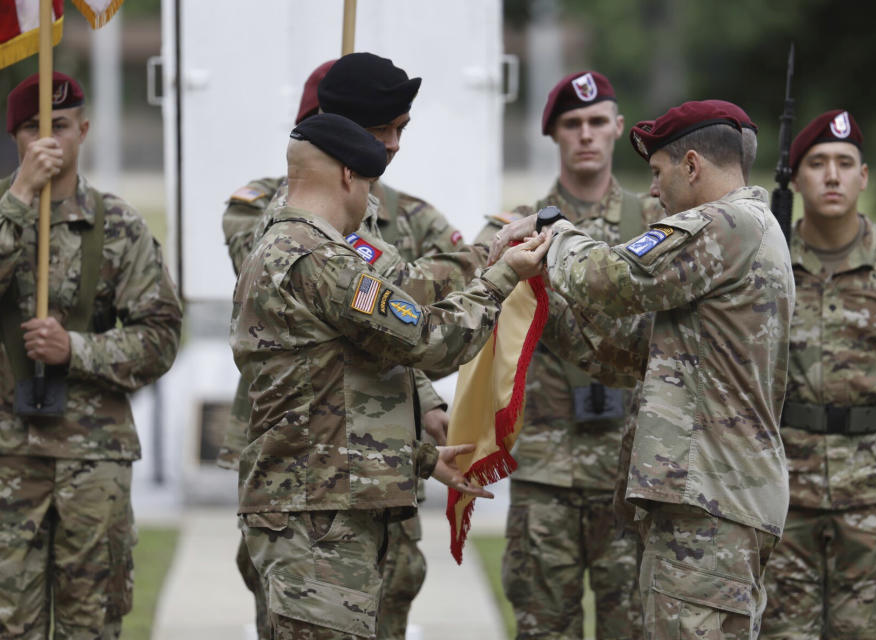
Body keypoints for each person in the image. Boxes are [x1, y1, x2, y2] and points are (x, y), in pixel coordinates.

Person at [230, 113, 549, 639]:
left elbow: (326, 395)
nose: (372, 199)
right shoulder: (317, 258)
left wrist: (419, 459)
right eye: (371, 183)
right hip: (318, 522)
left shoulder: (281, 245)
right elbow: (428, 341)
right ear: (349, 177)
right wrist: (502, 276)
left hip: (319, 509)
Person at [493, 100, 795, 639]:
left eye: (658, 174)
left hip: (709, 505)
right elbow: (632, 350)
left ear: (693, 166)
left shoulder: (724, 223)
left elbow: (610, 277)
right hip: (711, 502)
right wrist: (534, 295)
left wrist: (550, 227)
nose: (653, 191)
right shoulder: (741, 234)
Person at [219, 54, 468, 639]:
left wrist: (425, 428)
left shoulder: (393, 209)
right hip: (310, 477)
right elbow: (408, 312)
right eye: (386, 131)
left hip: (373, 464)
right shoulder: (287, 221)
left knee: (388, 600)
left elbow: (424, 288)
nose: (394, 146)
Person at [475, 70, 660, 639]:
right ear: (552, 133)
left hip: (633, 474)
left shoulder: (656, 224)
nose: (586, 134)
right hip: (545, 470)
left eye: (597, 122)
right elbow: (473, 313)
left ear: (618, 130)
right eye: (572, 123)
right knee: (543, 629)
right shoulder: (511, 232)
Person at [0, 72, 182, 638]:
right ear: (15, 139)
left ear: (84, 129)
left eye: (59, 126)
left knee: (93, 621)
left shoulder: (120, 226)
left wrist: (74, 349)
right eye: (32, 129)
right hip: (6, 455)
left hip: (93, 455)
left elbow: (160, 336)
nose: (47, 140)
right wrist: (21, 199)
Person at [759, 110, 876, 640]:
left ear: (864, 176)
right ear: (795, 180)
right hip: (783, 495)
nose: (833, 175)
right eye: (817, 163)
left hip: (872, 497)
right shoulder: (764, 265)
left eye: (846, 163)